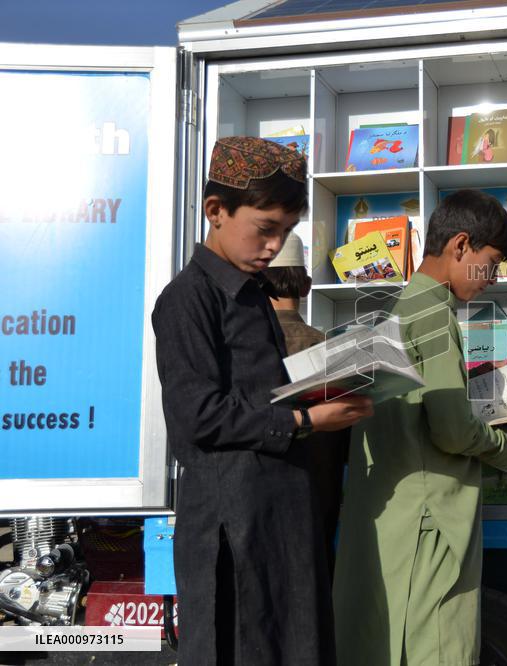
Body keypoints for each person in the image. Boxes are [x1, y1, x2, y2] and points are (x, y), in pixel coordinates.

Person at [152, 137, 373, 665]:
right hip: (232, 522)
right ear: (215, 211)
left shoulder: (253, 296)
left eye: (287, 232)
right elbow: (197, 414)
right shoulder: (187, 299)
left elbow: (258, 395)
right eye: (266, 228)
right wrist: (306, 418)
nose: (274, 246)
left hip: (282, 512)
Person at [333, 189, 507, 665]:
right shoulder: (434, 314)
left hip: (396, 515)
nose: (493, 277)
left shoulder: (401, 306)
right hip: (430, 519)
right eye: (493, 261)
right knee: (436, 647)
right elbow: (450, 430)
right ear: (460, 246)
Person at [263, 230, 349, 582]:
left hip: (262, 515)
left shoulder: (247, 351)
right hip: (319, 512)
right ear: (306, 286)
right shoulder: (333, 352)